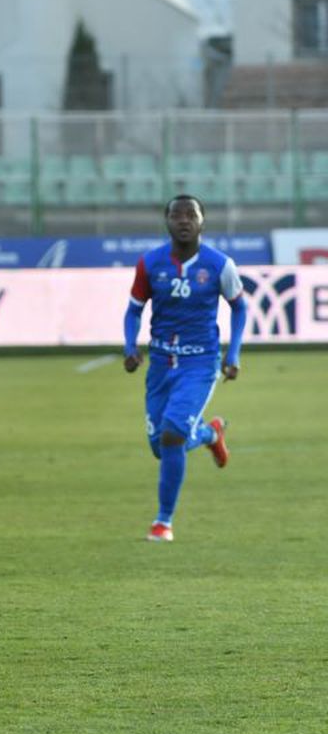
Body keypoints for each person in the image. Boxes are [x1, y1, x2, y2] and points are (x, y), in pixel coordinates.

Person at [123, 194, 245, 543]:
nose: (183, 220)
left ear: (202, 221)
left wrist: (232, 354)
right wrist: (130, 346)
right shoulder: (150, 264)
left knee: (173, 433)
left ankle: (163, 522)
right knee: (160, 446)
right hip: (161, 363)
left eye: (190, 214)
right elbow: (133, 309)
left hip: (200, 362)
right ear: (167, 222)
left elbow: (240, 308)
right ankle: (209, 434)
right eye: (176, 215)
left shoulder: (220, 265)